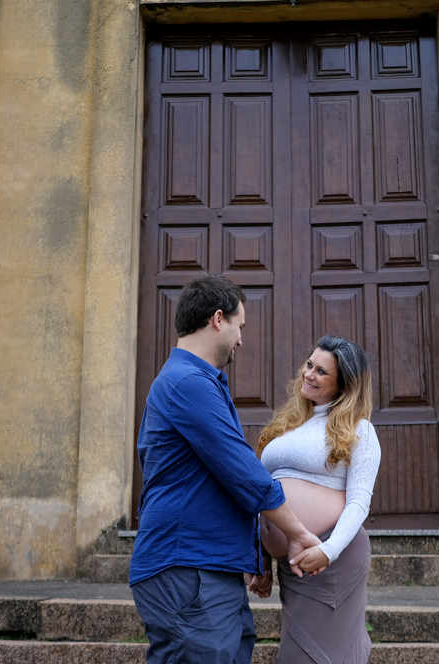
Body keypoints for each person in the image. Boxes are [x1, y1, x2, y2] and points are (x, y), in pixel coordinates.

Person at [129, 274, 325, 664]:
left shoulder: (195, 382)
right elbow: (242, 472)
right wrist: (298, 533)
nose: (241, 338)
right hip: (187, 568)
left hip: (208, 570)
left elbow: (213, 480)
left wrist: (254, 555)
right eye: (240, 326)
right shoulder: (188, 383)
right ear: (218, 319)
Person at [250, 335, 381, 664]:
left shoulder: (359, 430)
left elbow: (359, 501)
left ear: (343, 385)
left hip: (332, 559)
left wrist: (327, 550)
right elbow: (264, 493)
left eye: (322, 372)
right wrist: (260, 555)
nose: (309, 374)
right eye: (309, 365)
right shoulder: (292, 425)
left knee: (319, 657)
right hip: (293, 560)